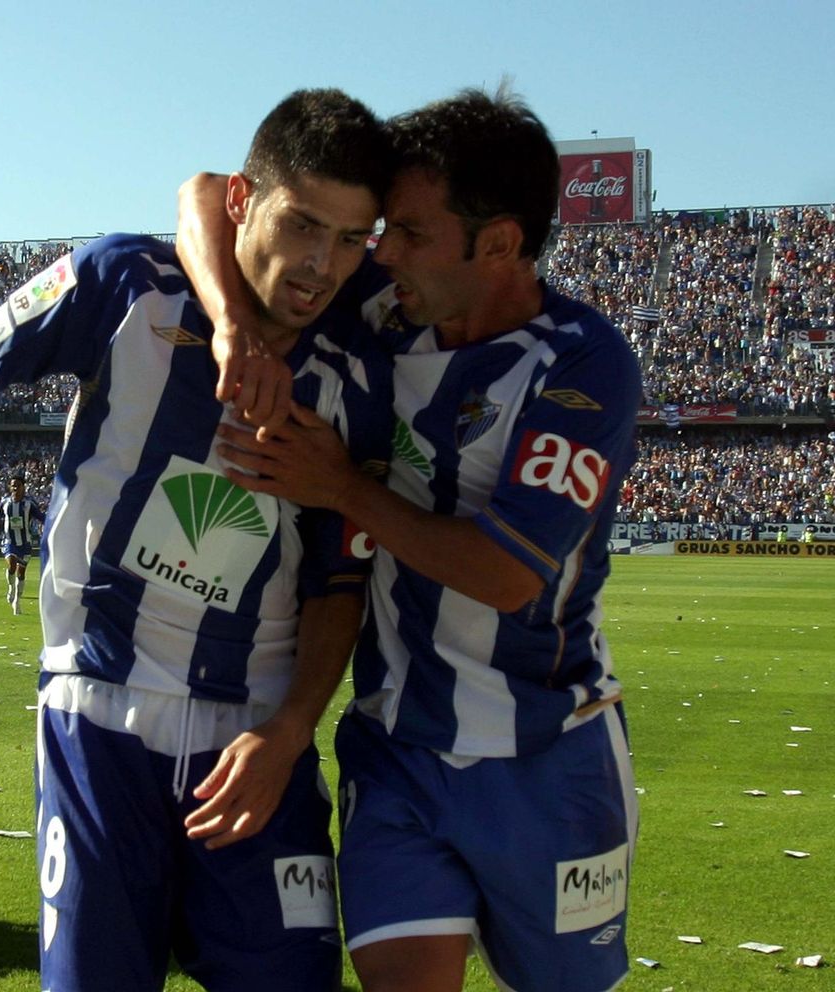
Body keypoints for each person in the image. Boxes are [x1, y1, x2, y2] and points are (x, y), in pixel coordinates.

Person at [0, 89, 395, 992]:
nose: (320, 264)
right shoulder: (125, 282)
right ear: (242, 200)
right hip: (98, 719)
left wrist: (292, 730)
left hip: (255, 742)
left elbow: (338, 585)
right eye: (303, 224)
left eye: (351, 239)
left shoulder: (359, 367)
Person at [177, 86, 641, 992]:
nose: (381, 253)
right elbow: (204, 191)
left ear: (499, 245)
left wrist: (340, 487)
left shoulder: (584, 364)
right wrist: (234, 326)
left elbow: (507, 576)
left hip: (550, 755)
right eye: (383, 232)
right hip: (396, 750)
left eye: (411, 235)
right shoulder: (392, 311)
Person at [0, 476, 43, 616]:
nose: (15, 488)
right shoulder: (5, 502)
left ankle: (17, 601)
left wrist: (48, 524)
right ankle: (10, 588)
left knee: (21, 573)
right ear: (9, 487)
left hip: (25, 543)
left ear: (23, 487)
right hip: (9, 541)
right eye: (13, 485)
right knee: (12, 563)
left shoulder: (28, 504)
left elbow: (40, 517)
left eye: (18, 485)